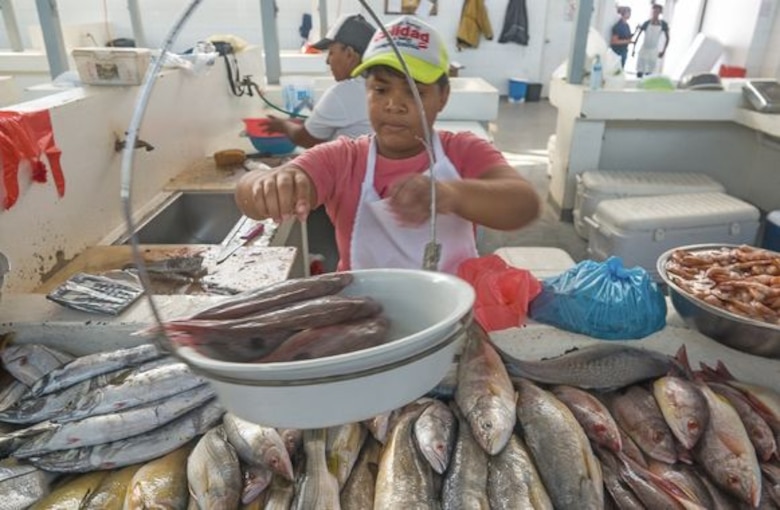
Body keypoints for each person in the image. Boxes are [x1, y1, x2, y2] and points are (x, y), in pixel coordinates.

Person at [235, 15, 540, 275]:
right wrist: (271, 184)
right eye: (380, 89)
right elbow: (248, 193)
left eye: (414, 92)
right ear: (365, 91)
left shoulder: (463, 152)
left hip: (451, 321)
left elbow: (524, 205)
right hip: (367, 319)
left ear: (443, 97)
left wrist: (451, 194)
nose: (394, 105)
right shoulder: (342, 159)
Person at [266, 14, 376, 148]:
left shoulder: (344, 93)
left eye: (331, 52)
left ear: (349, 54)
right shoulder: (378, 87)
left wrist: (283, 125)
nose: (327, 61)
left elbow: (306, 138)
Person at [632, 4, 670, 78]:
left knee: (650, 72)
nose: (655, 13)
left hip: (653, 50)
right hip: (644, 49)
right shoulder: (646, 23)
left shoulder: (663, 24)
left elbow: (668, 38)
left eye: (657, 11)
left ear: (660, 13)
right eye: (654, 11)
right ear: (652, 12)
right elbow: (638, 36)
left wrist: (663, 51)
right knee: (640, 71)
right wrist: (633, 50)